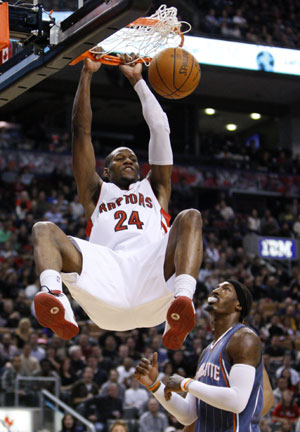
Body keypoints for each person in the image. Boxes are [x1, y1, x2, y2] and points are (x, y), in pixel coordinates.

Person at [32, 51, 203, 351]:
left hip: (153, 275)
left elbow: (160, 129)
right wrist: (87, 74)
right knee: (43, 229)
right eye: (120, 158)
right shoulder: (96, 193)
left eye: (134, 158)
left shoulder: (156, 188)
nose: (129, 161)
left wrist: (138, 81)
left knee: (190, 217)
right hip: (107, 277)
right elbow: (80, 132)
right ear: (105, 170)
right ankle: (56, 299)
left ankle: (183, 303)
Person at [135, 280, 274, 431]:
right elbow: (188, 414)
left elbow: (237, 401)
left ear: (238, 305)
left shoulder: (245, 338)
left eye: (226, 289)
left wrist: (186, 384)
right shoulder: (206, 351)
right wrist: (155, 385)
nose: (216, 290)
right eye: (216, 287)